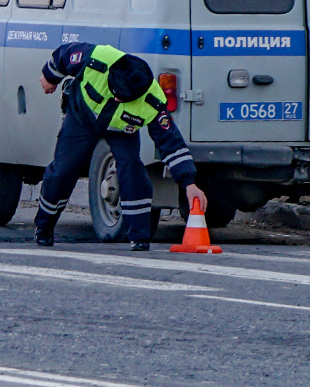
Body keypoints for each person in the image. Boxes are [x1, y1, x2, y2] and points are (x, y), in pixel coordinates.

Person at [32, 43, 204, 251]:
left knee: (132, 170)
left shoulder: (153, 102)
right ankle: (44, 228)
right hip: (82, 116)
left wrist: (189, 183)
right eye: (114, 92)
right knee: (63, 169)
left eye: (122, 98)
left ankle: (139, 237)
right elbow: (63, 55)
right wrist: (50, 77)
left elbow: (170, 143)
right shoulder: (97, 58)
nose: (116, 98)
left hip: (122, 131)